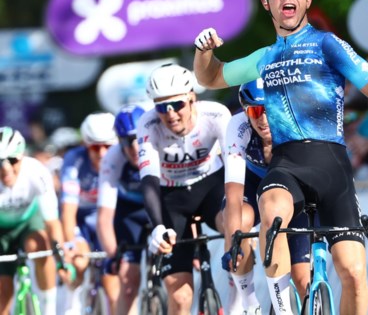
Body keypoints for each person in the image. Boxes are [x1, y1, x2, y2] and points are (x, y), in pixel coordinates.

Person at [192, 0, 368, 315]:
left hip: (332, 164)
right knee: (271, 211)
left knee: (352, 273)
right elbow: (209, 78)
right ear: (266, 2)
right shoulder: (263, 57)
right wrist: (203, 53)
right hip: (287, 163)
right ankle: (282, 307)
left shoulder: (328, 45)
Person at [138, 63, 231, 314]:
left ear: (192, 98)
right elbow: (148, 180)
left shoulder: (216, 115)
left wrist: (238, 217)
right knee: (180, 298)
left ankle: (243, 301)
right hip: (171, 199)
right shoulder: (147, 125)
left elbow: (235, 165)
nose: (170, 114)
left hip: (211, 187)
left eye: (177, 104)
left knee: (236, 226)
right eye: (161, 107)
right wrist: (158, 225)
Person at [222, 79, 311, 314]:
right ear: (245, 111)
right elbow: (233, 194)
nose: (262, 119)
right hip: (253, 184)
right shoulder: (237, 127)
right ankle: (250, 303)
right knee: (238, 225)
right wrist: (232, 243)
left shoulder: (295, 122)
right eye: (255, 111)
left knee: (303, 280)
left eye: (269, 109)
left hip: (292, 187)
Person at [0, 127, 71, 315]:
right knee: (2, 298)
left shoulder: (36, 172)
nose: (5, 168)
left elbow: (52, 222)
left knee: (41, 244)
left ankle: (48, 308)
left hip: (27, 223)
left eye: (12, 160)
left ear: (22, 156)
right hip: (1, 231)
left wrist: (60, 257)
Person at [59, 112, 120, 314]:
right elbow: (68, 211)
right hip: (82, 221)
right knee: (79, 261)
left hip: (109, 221)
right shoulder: (74, 160)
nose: (102, 153)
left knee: (113, 288)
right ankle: (72, 303)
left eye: (107, 146)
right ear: (86, 145)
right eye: (95, 147)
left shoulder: (122, 156)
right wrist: (69, 246)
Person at [96, 105, 148, 315]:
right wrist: (113, 256)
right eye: (127, 141)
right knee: (127, 282)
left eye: (139, 139)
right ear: (119, 142)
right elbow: (104, 218)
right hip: (129, 213)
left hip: (163, 206)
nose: (134, 148)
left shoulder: (162, 146)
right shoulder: (112, 158)